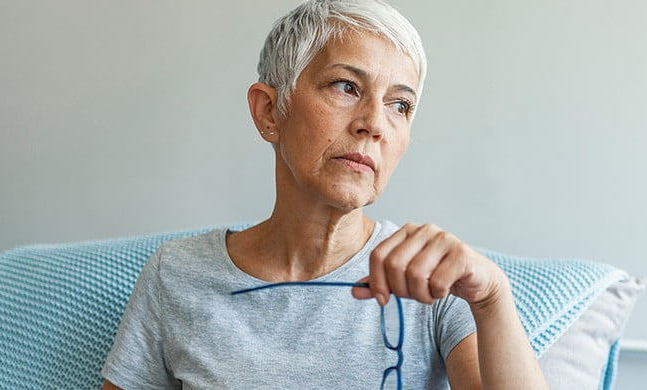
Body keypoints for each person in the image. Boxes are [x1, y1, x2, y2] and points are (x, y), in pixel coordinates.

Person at [102, 0, 548, 388]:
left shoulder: (433, 282)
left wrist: (491, 298)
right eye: (346, 86)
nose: (374, 123)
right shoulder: (176, 275)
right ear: (269, 111)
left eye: (400, 105)